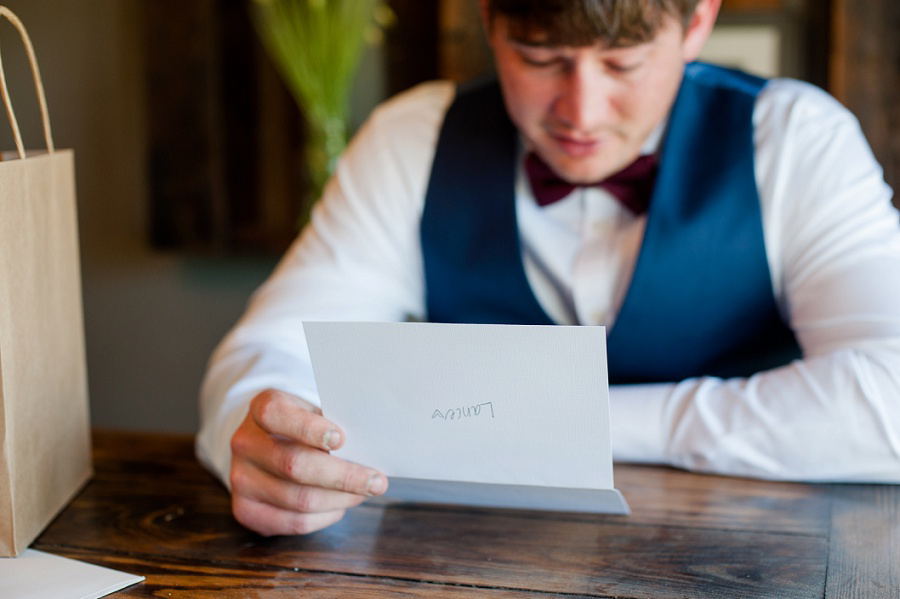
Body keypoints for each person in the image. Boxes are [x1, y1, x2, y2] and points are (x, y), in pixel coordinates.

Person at [197, 0, 900, 536]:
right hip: (466, 559)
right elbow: (271, 347)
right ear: (490, 22)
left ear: (697, 21)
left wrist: (582, 422)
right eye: (539, 57)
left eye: (623, 63)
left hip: (760, 553)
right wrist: (263, 433)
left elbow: (889, 400)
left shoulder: (796, 140)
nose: (580, 111)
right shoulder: (413, 139)